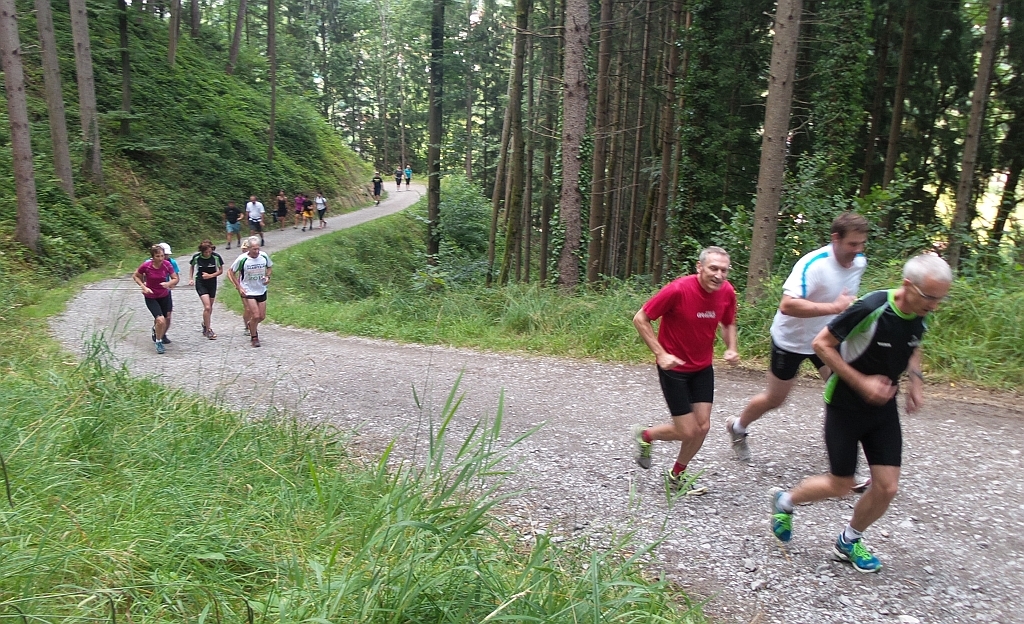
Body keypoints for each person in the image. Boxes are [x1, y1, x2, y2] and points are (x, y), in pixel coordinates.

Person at [769, 254, 952, 574]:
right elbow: (821, 344)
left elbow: (913, 342)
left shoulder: (920, 310)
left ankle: (848, 541)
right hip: (845, 405)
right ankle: (785, 501)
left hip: (883, 408)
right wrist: (862, 382)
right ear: (908, 286)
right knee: (841, 484)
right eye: (930, 298)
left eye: (940, 299)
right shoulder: (872, 307)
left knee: (887, 486)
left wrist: (916, 383)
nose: (934, 306)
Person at [727, 212, 870, 461]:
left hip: (825, 340)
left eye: (861, 244)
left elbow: (846, 301)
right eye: (852, 244)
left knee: (844, 391)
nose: (857, 250)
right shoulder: (813, 264)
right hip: (790, 340)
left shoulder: (859, 263)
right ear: (835, 238)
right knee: (775, 399)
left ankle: (844, 454)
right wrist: (834, 308)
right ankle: (738, 426)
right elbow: (788, 305)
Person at [632, 246, 740, 491]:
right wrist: (660, 354)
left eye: (724, 270)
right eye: (713, 268)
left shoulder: (727, 292)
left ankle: (676, 474)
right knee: (687, 430)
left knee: (703, 427)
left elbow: (728, 322)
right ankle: (646, 435)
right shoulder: (678, 289)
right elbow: (641, 318)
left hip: (702, 367)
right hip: (674, 368)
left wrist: (731, 347)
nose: (719, 275)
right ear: (699, 267)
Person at [132, 245, 179, 354]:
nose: (161, 258)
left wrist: (168, 283)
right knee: (160, 320)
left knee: (166, 319)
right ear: (153, 257)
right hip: (151, 296)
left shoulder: (167, 265)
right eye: (158, 256)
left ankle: (158, 332)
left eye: (162, 255)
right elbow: (136, 276)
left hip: (164, 295)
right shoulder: (147, 266)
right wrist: (144, 287)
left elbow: (175, 278)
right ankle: (158, 342)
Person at [228, 236, 273, 348]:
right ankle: (254, 337)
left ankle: (250, 324)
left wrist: (267, 277)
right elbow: (230, 272)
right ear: (248, 248)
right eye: (254, 249)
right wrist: (239, 287)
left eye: (258, 248)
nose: (257, 251)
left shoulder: (263, 256)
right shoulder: (242, 259)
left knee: (262, 317)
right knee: (256, 315)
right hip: (248, 290)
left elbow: (270, 267)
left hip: (261, 288)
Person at [188, 240, 224, 340]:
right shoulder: (197, 257)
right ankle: (208, 330)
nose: (208, 253)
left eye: (210, 251)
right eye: (206, 252)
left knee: (210, 307)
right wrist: (191, 278)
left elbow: (221, 271)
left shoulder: (216, 257)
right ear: (202, 252)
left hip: (212, 283)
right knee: (207, 307)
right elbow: (192, 266)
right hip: (201, 282)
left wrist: (211, 275)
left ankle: (205, 323)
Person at [156, 243, 180, 345]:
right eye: (163, 254)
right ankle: (157, 333)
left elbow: (176, 278)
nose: (165, 257)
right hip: (154, 292)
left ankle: (163, 334)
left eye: (166, 255)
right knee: (158, 316)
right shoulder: (149, 262)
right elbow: (142, 275)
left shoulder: (171, 262)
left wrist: (171, 284)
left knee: (168, 316)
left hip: (166, 292)